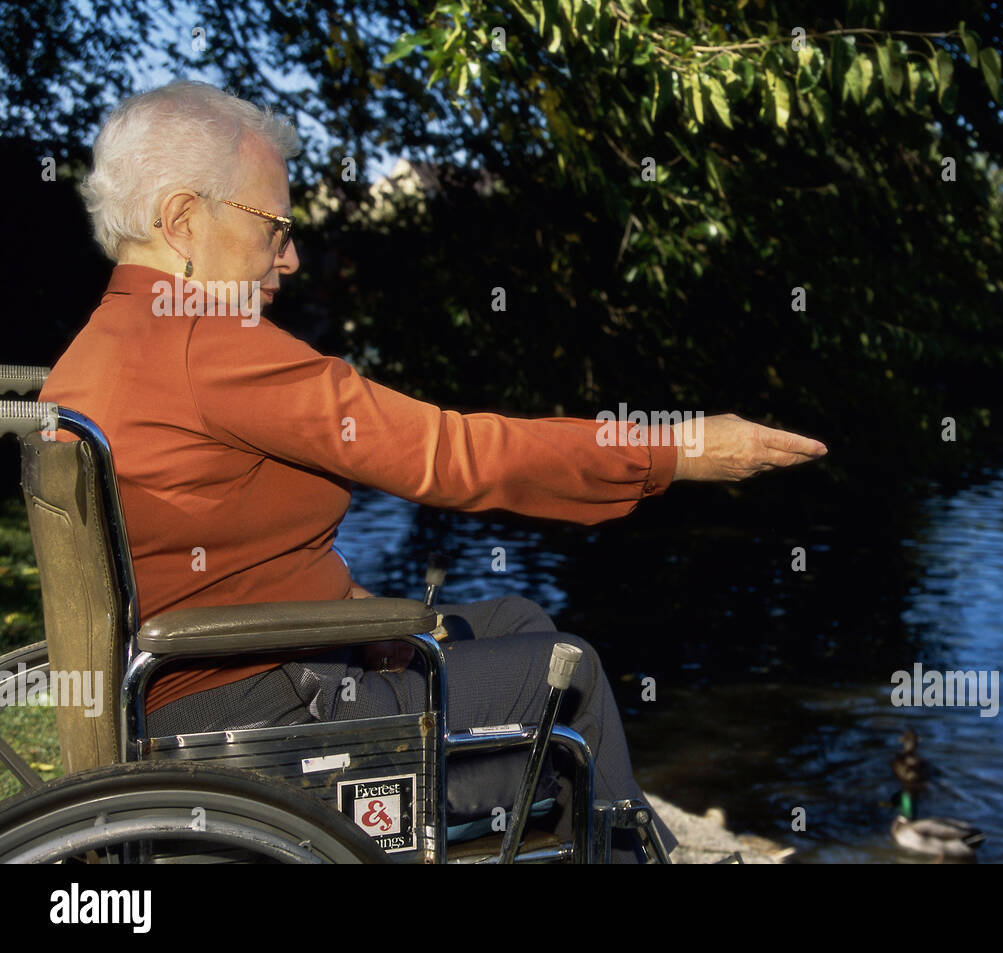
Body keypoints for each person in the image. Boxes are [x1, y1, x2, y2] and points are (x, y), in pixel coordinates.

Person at [40, 79, 828, 862]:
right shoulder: (205, 347)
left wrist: (355, 609)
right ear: (181, 218)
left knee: (517, 620)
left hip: (196, 694)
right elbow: (453, 454)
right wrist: (674, 448)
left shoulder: (91, 354)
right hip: (259, 732)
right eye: (273, 225)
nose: (291, 254)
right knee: (570, 680)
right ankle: (628, 853)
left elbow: (207, 543)